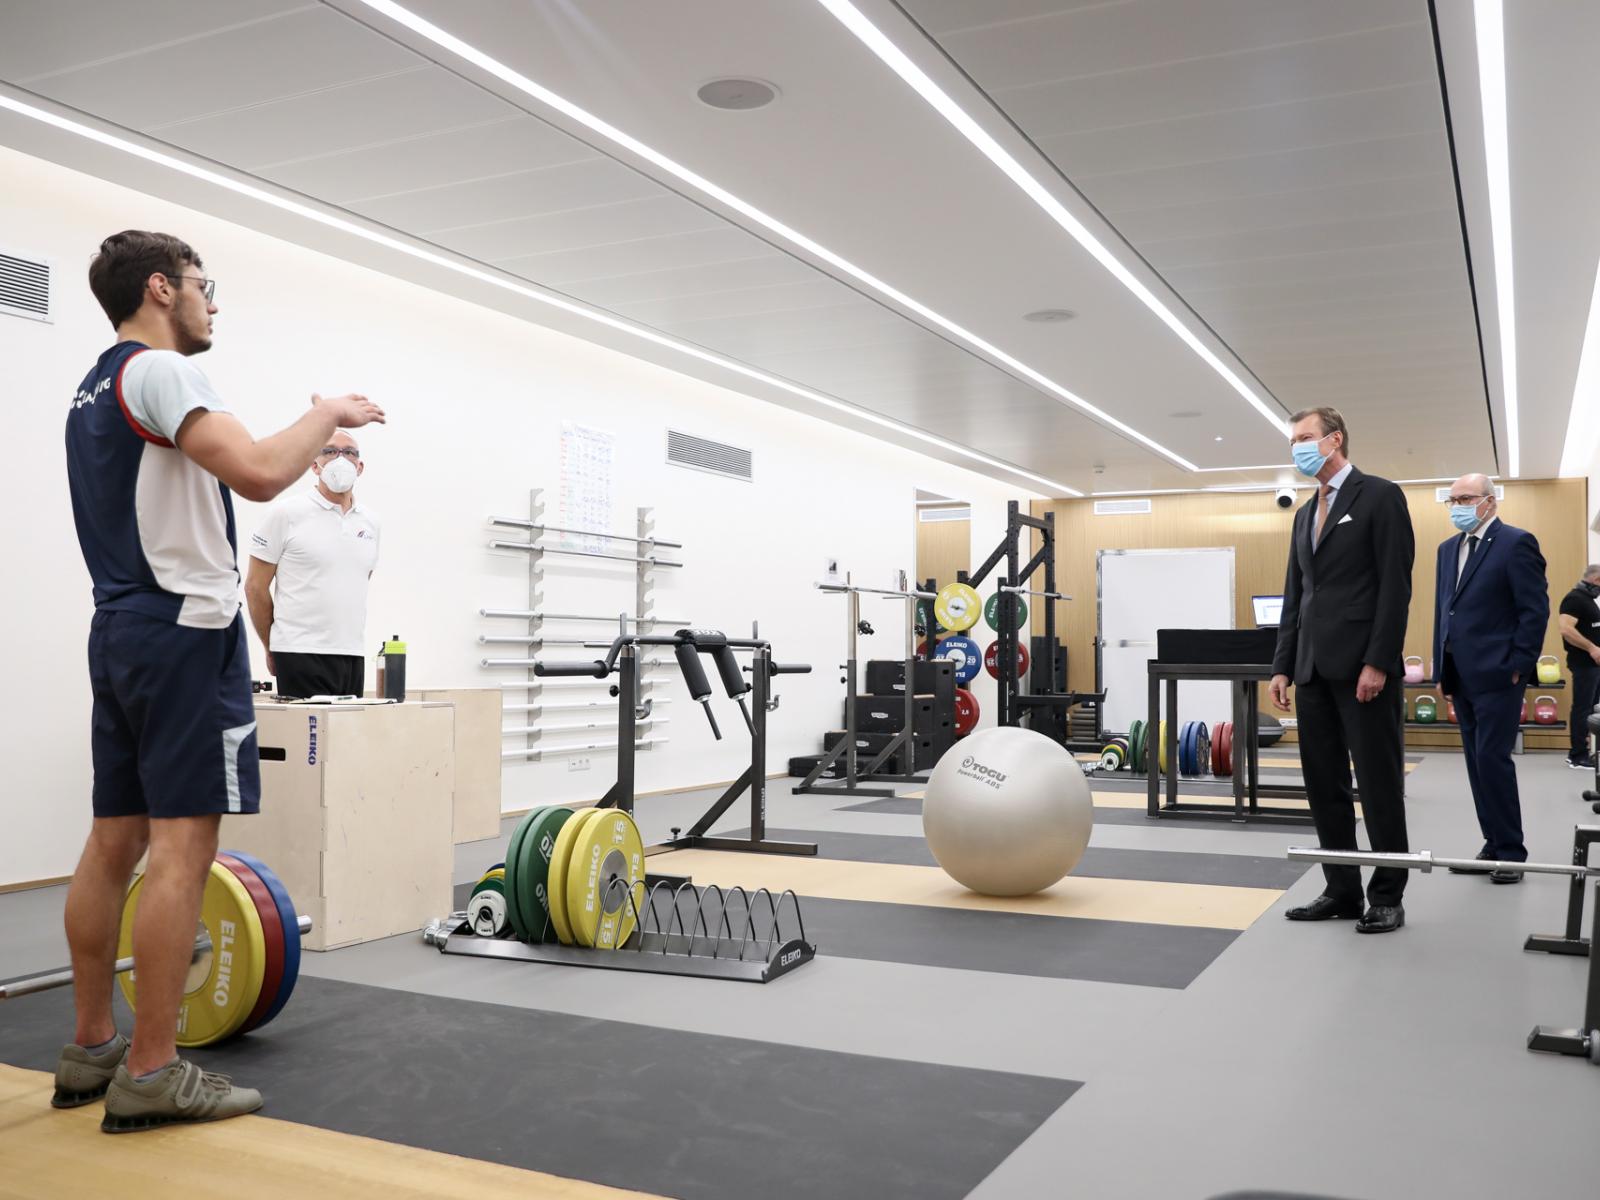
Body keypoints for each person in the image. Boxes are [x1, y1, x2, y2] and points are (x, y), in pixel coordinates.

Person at [60, 230, 383, 1131]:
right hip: (184, 632)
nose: (212, 301)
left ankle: (93, 1046)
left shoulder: (93, 385)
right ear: (162, 288)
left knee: (112, 842)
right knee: (180, 852)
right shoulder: (161, 372)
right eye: (204, 284)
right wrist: (330, 417)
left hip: (122, 628)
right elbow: (260, 470)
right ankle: (155, 1068)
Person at [1269, 407, 1415, 934]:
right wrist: (1282, 665)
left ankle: (1387, 895)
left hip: (1363, 670)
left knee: (1377, 784)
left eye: (1305, 438)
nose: (1297, 449)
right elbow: (1297, 594)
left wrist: (1379, 660)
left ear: (1335, 440)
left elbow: (1396, 588)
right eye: (1293, 441)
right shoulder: (1305, 514)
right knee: (1323, 785)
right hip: (1311, 669)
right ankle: (1341, 888)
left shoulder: (1379, 496)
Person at [1431, 475, 1548, 880]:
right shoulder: (1448, 550)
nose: (1458, 505)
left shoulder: (1516, 543)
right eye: (1453, 500)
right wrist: (1438, 667)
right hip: (1459, 672)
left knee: (1493, 759)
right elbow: (1443, 611)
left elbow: (1534, 610)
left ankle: (1512, 852)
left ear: (1490, 502)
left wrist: (1519, 663)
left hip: (1499, 672)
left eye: (1466, 498)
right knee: (1475, 762)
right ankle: (1493, 842)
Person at [245, 431, 380, 699]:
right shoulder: (285, 514)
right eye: (330, 451)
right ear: (314, 464)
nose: (340, 459)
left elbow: (357, 582)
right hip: (298, 652)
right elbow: (255, 587)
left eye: (349, 452)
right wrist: (270, 645)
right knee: (308, 740)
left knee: (344, 739)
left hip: (351, 653)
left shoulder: (370, 523)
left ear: (360, 467)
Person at [1558, 565, 1600, 770]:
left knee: (1591, 707)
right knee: (1582, 708)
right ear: (1596, 580)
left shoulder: (1588, 601)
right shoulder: (1574, 598)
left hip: (1593, 665)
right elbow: (1565, 629)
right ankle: (1577, 755)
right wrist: (1592, 648)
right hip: (1583, 664)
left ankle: (1584, 752)